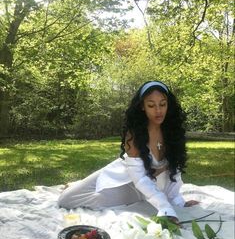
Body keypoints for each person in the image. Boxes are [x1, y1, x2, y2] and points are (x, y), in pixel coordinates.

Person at [58, 80, 199, 224]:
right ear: (143, 107)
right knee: (66, 199)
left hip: (147, 187)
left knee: (99, 199)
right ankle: (77, 185)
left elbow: (175, 168)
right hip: (127, 176)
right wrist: (165, 207)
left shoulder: (172, 131)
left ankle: (82, 185)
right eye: (151, 105)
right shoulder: (135, 134)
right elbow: (139, 179)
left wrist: (177, 200)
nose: (158, 110)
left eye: (162, 104)